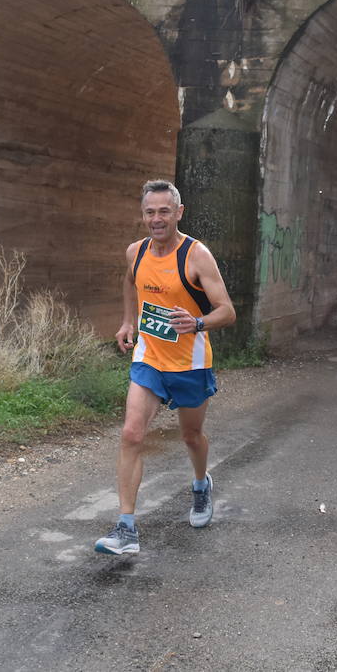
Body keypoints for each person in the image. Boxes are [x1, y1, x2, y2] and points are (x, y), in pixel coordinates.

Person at [94, 179, 236, 555]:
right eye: (150, 212)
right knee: (131, 434)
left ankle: (201, 484)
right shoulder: (136, 252)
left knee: (191, 436)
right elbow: (130, 282)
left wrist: (198, 323)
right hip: (150, 358)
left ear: (178, 213)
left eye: (164, 212)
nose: (156, 219)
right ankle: (126, 529)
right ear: (143, 215)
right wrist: (129, 321)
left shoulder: (196, 256)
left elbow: (227, 311)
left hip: (189, 363)